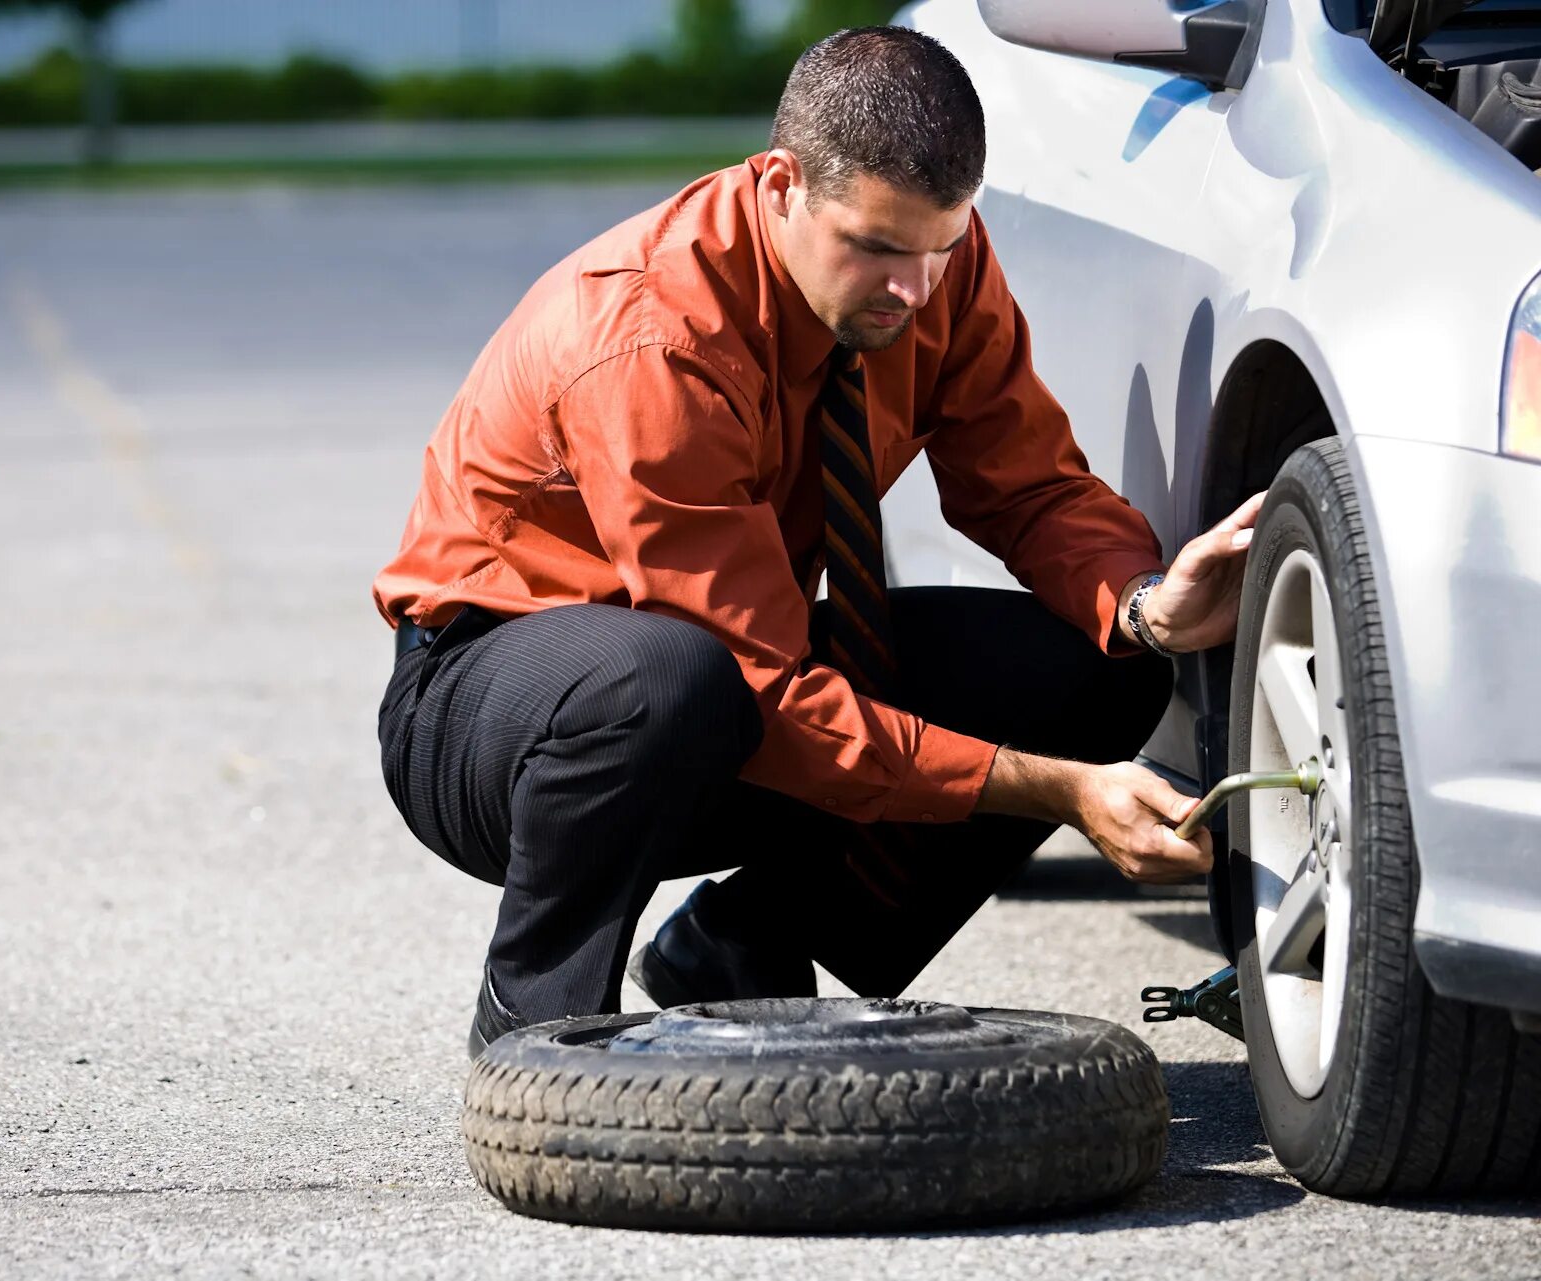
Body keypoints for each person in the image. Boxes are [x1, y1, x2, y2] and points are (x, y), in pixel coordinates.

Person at [372, 26, 1265, 1058]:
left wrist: (1149, 603)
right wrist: (1054, 788)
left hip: (730, 672)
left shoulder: (936, 267)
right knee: (664, 681)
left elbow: (1029, 487)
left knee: (1095, 667)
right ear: (783, 183)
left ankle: (744, 946)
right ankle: (534, 1031)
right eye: (878, 249)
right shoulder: (657, 339)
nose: (914, 290)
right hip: (501, 710)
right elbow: (759, 691)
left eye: (940, 247)